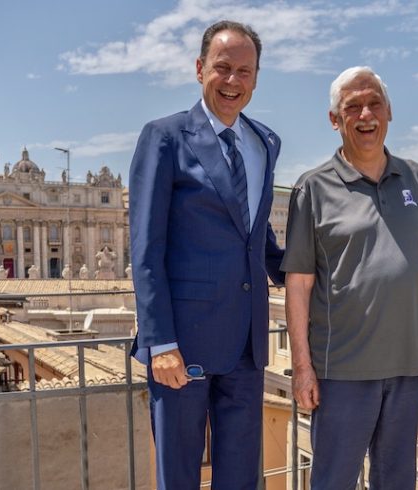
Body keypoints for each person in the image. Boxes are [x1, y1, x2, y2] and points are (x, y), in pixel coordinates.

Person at [128, 20, 285, 489]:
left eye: (244, 71)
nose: (233, 81)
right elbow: (146, 249)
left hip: (247, 348)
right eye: (222, 68)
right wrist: (161, 344)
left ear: (256, 79)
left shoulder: (265, 143)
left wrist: (316, 276)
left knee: (241, 480)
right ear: (200, 69)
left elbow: (258, 242)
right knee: (179, 477)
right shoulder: (164, 137)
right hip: (184, 348)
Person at [282, 66, 418, 488]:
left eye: (374, 103)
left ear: (389, 111)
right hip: (341, 371)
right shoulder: (312, 189)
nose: (365, 115)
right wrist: (302, 365)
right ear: (335, 120)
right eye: (352, 107)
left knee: (396, 481)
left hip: (408, 367)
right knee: (333, 480)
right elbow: (299, 284)